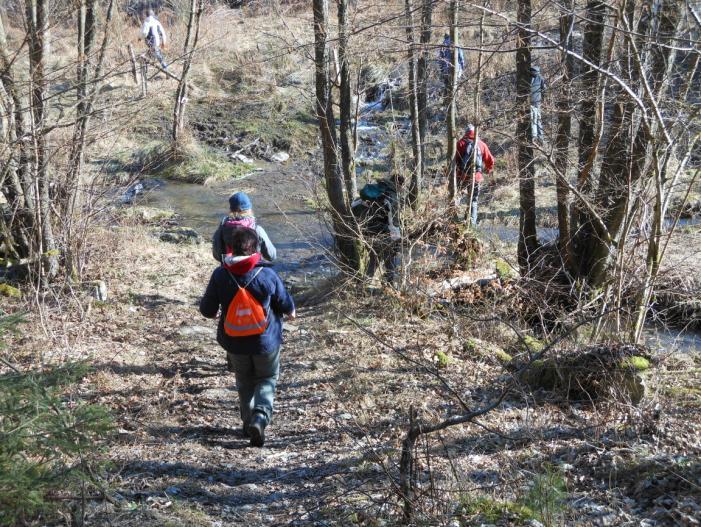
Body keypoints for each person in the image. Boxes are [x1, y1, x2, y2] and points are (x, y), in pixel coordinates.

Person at [200, 227, 295, 447]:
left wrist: (216, 311)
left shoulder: (221, 274)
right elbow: (286, 304)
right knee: (267, 378)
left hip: (234, 342)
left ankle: (247, 424)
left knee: (244, 381)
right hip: (266, 341)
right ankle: (260, 417)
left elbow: (207, 310)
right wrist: (290, 313)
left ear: (231, 249)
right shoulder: (268, 274)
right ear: (256, 249)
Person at [351, 176, 403, 283]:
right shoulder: (391, 196)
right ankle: (390, 286)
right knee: (389, 260)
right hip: (383, 233)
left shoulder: (373, 190)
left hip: (367, 232)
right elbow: (394, 221)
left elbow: (354, 205)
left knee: (374, 259)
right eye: (402, 186)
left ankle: (366, 284)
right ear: (398, 184)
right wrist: (397, 238)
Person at [212, 191, 277, 263]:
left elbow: (217, 256)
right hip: (253, 269)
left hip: (229, 270)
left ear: (231, 210)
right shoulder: (257, 230)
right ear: (249, 209)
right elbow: (272, 256)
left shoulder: (222, 229)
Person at [454, 124, 495, 225]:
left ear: (466, 132)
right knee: (473, 200)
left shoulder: (460, 143)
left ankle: (453, 220)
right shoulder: (481, 144)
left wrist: (454, 174)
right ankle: (471, 223)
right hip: (476, 177)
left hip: (462, 176)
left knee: (457, 197)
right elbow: (491, 160)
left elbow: (454, 160)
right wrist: (488, 169)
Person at [530, 66, 546, 142]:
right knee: (533, 119)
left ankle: (541, 138)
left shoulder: (540, 78)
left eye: (537, 72)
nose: (536, 74)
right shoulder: (528, 78)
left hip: (537, 102)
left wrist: (544, 100)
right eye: (534, 72)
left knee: (538, 119)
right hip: (530, 102)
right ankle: (534, 137)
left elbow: (544, 90)